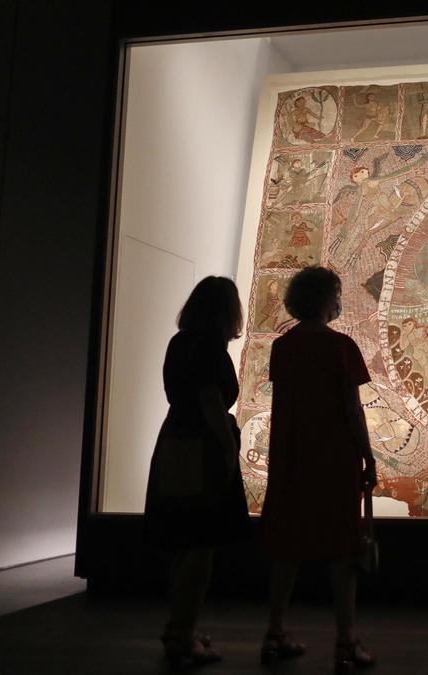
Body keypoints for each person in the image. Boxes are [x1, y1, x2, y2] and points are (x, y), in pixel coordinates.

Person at [259, 266, 378, 672]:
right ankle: (346, 642)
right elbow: (351, 409)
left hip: (291, 457)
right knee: (343, 552)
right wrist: (368, 456)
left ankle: (274, 631)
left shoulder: (282, 347)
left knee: (285, 549)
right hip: (333, 458)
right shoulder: (342, 347)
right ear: (330, 300)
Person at [144, 276, 248, 668]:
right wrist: (226, 450)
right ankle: (183, 635)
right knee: (201, 547)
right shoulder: (210, 349)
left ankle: (179, 627)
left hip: (174, 441)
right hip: (202, 448)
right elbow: (210, 401)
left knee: (184, 543)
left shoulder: (180, 342)